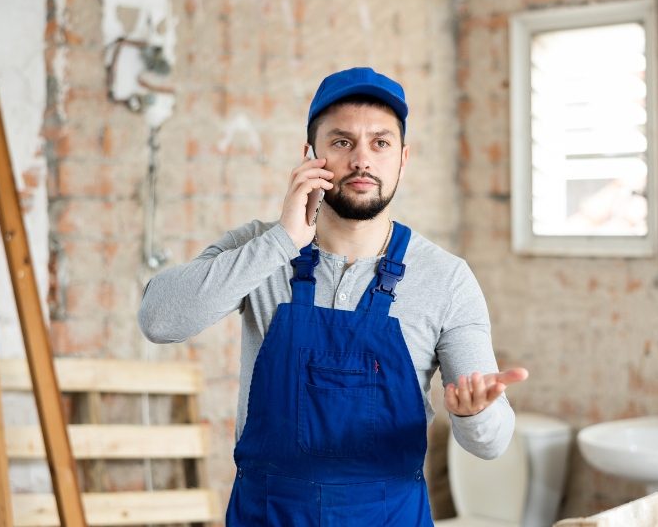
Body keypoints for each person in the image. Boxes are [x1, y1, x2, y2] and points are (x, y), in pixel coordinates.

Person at [138, 67, 529, 526]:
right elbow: (158, 320)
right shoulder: (259, 249)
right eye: (342, 142)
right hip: (267, 515)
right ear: (310, 155)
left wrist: (475, 414)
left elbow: (492, 444)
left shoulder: (446, 279)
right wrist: (283, 240)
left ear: (403, 158)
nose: (362, 160)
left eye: (380, 143)